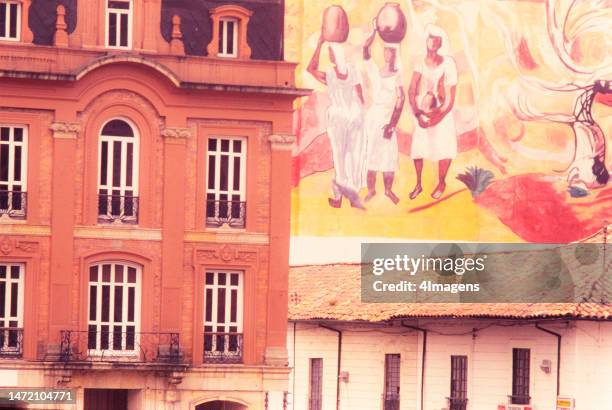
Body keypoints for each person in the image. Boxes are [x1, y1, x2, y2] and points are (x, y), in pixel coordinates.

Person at [307, 36, 367, 209]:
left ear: (335, 55)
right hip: (354, 116)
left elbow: (310, 68)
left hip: (339, 118)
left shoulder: (331, 75)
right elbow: (360, 95)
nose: (329, 55)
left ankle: (339, 196)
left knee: (340, 157)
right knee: (354, 156)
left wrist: (318, 44)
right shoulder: (352, 71)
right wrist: (359, 113)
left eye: (330, 52)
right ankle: (351, 196)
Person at [407, 24, 458, 200]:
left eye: (436, 38)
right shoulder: (420, 63)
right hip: (422, 110)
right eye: (430, 37)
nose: (433, 41)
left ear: (441, 42)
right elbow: (411, 90)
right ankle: (418, 184)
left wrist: (437, 116)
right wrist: (418, 114)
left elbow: (450, 98)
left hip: (441, 111)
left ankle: (441, 182)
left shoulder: (449, 63)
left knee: (444, 147)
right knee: (418, 148)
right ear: (426, 40)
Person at [362, 22, 405, 204]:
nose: (388, 54)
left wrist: (392, 125)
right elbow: (365, 49)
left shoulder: (397, 75)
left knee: (388, 154)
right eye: (386, 50)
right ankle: (371, 190)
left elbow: (401, 100)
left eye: (391, 51)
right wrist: (373, 30)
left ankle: (388, 190)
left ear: (395, 54)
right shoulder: (375, 71)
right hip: (373, 118)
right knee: (370, 153)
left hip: (388, 120)